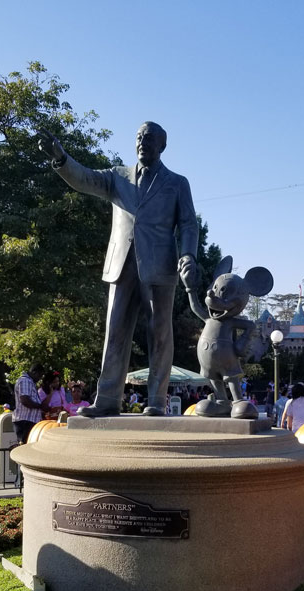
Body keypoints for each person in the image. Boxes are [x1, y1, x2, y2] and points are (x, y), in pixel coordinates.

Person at [38, 122, 198, 417]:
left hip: (160, 266)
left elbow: (188, 223)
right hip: (121, 264)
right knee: (114, 331)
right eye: (138, 137)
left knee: (160, 334)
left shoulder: (177, 183)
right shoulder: (116, 177)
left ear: (162, 145)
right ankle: (108, 399)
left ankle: (156, 401)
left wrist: (188, 255)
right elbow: (84, 178)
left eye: (149, 138)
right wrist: (61, 159)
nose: (142, 142)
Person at [12, 363, 47, 445]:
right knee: (25, 447)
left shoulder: (30, 382)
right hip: (25, 421)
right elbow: (25, 400)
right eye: (40, 375)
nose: (40, 378)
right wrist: (40, 406)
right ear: (34, 372)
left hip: (29, 420)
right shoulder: (25, 380)